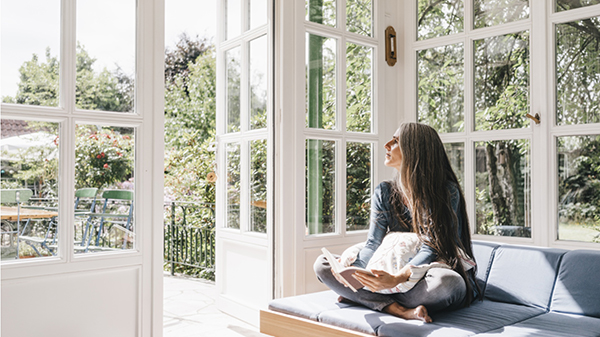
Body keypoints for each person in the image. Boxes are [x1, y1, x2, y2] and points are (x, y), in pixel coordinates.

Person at [314, 122, 480, 323]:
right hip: (394, 279)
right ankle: (398, 309)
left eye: (395, 141)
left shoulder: (445, 191)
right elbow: (373, 244)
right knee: (323, 265)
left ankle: (369, 299)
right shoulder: (384, 192)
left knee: (447, 284)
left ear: (415, 150)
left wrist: (397, 278)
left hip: (424, 273)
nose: (387, 144)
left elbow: (432, 247)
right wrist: (356, 274)